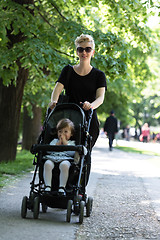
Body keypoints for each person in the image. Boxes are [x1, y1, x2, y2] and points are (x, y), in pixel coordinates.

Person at [49, 33, 107, 148]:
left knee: (83, 153)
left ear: (93, 52)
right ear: (77, 52)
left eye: (88, 49)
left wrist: (90, 105)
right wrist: (53, 102)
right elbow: (57, 89)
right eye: (80, 49)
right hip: (68, 115)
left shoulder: (99, 75)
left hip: (88, 117)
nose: (84, 53)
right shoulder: (68, 70)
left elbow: (100, 98)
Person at [43, 118, 78, 196]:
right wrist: (56, 145)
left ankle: (62, 187)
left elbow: (72, 153)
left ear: (71, 134)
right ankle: (47, 186)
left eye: (66, 132)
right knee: (47, 164)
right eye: (60, 131)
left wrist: (65, 144)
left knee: (64, 165)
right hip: (52, 158)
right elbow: (48, 150)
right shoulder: (55, 141)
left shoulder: (71, 143)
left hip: (65, 159)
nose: (62, 134)